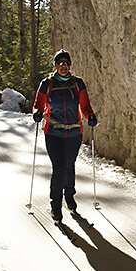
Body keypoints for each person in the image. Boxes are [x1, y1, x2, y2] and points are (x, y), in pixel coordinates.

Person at [32, 49, 98, 221]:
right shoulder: (47, 84)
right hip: (53, 132)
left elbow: (85, 106)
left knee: (69, 165)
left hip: (74, 132)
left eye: (66, 63)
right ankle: (56, 204)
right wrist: (37, 113)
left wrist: (90, 116)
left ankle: (69, 195)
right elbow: (38, 104)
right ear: (55, 65)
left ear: (70, 65)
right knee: (59, 167)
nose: (63, 66)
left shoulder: (78, 83)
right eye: (60, 63)